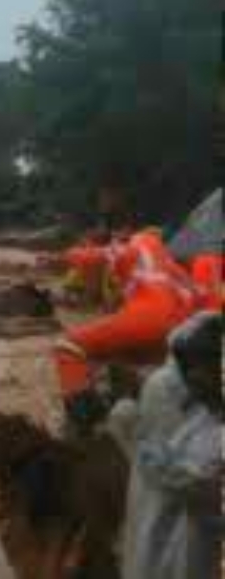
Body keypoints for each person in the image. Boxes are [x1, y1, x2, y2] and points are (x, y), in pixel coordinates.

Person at [111, 311, 223, 579]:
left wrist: (134, 433)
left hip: (190, 548)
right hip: (167, 539)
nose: (192, 379)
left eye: (199, 370)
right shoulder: (198, 410)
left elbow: (192, 481)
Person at [52, 229, 200, 432]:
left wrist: (64, 256)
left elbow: (94, 257)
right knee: (119, 357)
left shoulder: (137, 245)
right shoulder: (172, 266)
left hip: (149, 317)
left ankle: (85, 428)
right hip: (183, 329)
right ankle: (138, 407)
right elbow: (197, 296)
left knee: (67, 347)